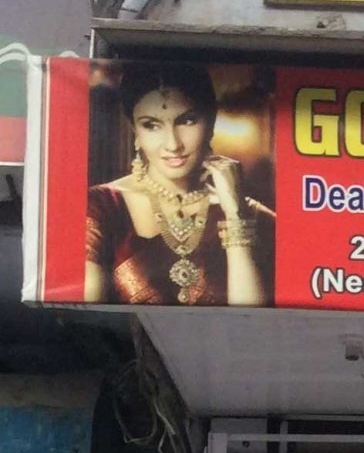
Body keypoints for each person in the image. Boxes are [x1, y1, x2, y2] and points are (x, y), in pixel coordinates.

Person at [85, 65, 271, 306]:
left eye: (187, 121)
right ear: (135, 132)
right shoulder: (101, 207)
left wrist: (236, 218)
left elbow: (251, 321)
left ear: (211, 122)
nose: (173, 145)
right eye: (151, 125)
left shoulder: (254, 215)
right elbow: (86, 315)